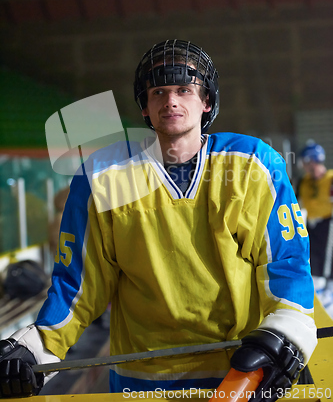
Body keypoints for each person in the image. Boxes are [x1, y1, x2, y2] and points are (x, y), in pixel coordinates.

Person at [0, 40, 317, 399]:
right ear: (146, 108)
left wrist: (287, 331)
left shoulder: (254, 164)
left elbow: (287, 265)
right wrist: (36, 346)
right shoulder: (100, 176)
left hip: (240, 374)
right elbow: (79, 285)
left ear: (206, 102)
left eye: (184, 90)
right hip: (142, 382)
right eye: (159, 92)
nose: (171, 101)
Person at [297, 141, 333, 316]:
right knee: (313, 258)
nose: (304, 166)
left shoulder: (330, 178)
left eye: (306, 162)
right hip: (311, 224)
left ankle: (329, 290)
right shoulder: (304, 181)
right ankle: (319, 290)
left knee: (328, 258)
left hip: (328, 223)